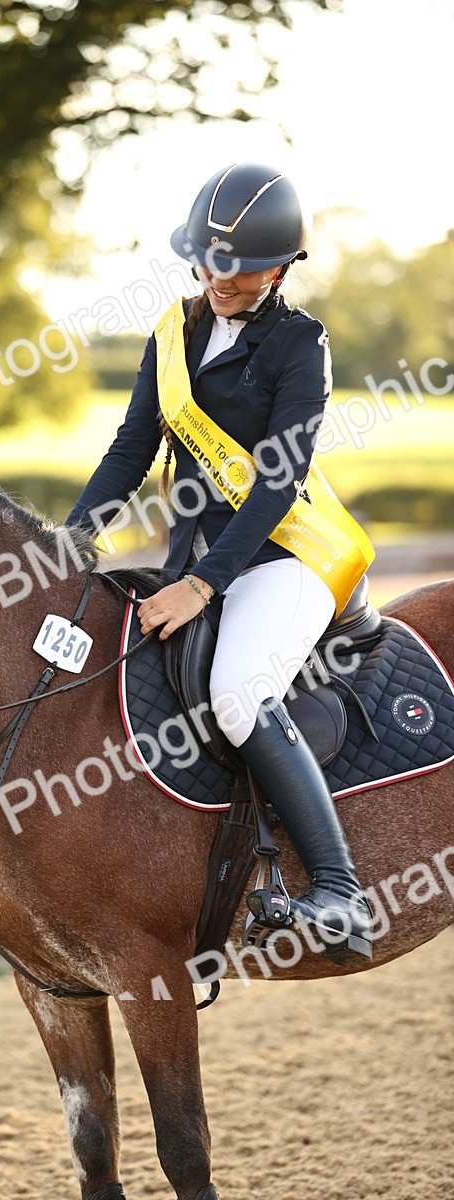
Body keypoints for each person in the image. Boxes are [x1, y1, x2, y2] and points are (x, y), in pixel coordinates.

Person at [66, 162, 374, 963]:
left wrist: (205, 584)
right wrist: (68, 543)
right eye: (209, 263)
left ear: (282, 268)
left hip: (287, 555)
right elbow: (131, 450)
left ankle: (339, 893)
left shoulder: (301, 345)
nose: (220, 279)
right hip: (195, 560)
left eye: (240, 269)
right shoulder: (173, 333)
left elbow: (277, 482)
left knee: (238, 693)